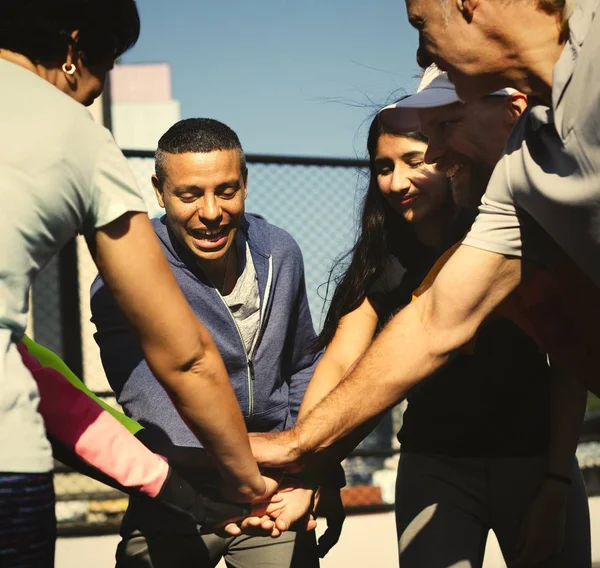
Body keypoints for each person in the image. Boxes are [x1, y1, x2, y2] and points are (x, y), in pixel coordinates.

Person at [248, 0, 600, 485]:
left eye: (420, 23)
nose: (418, 53)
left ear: (468, 5)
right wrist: (300, 444)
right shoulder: (518, 180)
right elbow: (436, 320)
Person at [0, 2, 271, 565]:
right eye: (111, 59)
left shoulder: (278, 252)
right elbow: (185, 355)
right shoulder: (72, 131)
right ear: (74, 49)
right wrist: (247, 480)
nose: (104, 85)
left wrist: (170, 487)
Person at [90, 118, 322, 568]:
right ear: (160, 192)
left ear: (246, 183)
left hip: (274, 493)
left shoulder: (281, 251)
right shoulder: (127, 273)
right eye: (190, 194)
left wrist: (305, 469)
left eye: (226, 190)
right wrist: (247, 465)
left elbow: (303, 363)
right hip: (180, 487)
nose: (212, 211)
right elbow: (149, 398)